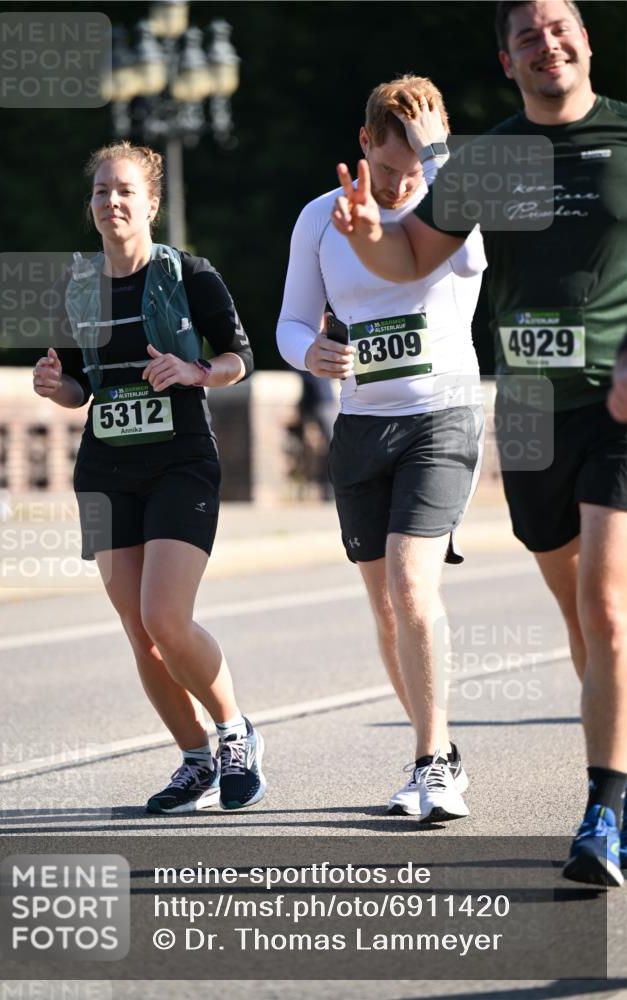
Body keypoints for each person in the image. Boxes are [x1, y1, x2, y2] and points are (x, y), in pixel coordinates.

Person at [332, 1, 627, 885]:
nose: (546, 44)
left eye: (558, 27)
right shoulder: (489, 159)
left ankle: (603, 813)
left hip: (616, 405)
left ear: (584, 39)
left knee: (607, 605)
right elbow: (412, 257)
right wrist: (367, 234)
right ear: (506, 61)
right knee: (578, 613)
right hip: (530, 410)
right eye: (525, 35)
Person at [277, 74, 487, 823]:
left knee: (409, 582)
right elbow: (291, 322)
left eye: (415, 167)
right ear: (363, 144)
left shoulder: (450, 205)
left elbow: (468, 263)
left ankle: (429, 767)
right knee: (387, 609)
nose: (401, 186)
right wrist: (311, 354)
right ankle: (442, 749)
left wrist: (438, 162)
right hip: (362, 426)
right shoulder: (319, 219)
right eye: (389, 167)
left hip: (441, 416)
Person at [33, 141, 266, 815]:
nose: (111, 201)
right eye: (101, 190)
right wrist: (54, 385)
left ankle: (234, 733)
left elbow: (240, 358)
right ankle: (194, 760)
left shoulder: (190, 274)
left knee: (164, 616)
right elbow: (78, 387)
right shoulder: (79, 288)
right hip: (105, 468)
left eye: (125, 190)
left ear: (152, 204)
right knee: (139, 631)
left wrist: (195, 371)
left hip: (180, 460)